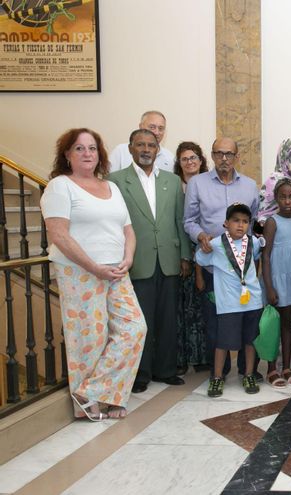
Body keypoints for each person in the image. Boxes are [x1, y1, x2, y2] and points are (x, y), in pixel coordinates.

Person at [42, 128, 147, 421]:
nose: (87, 154)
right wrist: (93, 267)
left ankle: (97, 391)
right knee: (90, 338)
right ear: (67, 155)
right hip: (80, 272)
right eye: (79, 148)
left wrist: (128, 257)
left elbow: (128, 229)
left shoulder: (110, 187)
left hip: (116, 270)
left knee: (134, 328)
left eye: (91, 148)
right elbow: (59, 235)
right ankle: (90, 403)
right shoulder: (60, 187)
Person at [107, 129, 189, 394]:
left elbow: (179, 220)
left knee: (168, 318)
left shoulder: (172, 181)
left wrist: (185, 256)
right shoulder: (116, 181)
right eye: (140, 144)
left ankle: (166, 370)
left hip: (168, 258)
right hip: (136, 259)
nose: (145, 149)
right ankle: (140, 373)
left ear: (158, 149)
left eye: (151, 145)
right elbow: (114, 223)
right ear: (130, 148)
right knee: (140, 320)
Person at [183, 137, 260, 378]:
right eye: (219, 153)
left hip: (242, 270)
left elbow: (254, 221)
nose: (224, 158)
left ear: (236, 156)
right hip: (213, 265)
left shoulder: (249, 185)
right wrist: (201, 236)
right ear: (212, 155)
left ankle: (247, 371)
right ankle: (220, 372)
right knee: (216, 322)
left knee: (247, 321)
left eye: (229, 154)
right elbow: (189, 220)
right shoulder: (198, 183)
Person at [196, 203, 264, 398]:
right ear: (226, 223)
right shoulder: (217, 245)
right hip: (228, 304)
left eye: (244, 221)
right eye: (235, 221)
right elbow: (200, 259)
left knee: (251, 340)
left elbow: (256, 260)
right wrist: (205, 249)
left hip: (252, 301)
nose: (240, 225)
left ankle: (248, 374)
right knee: (222, 342)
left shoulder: (254, 243)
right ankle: (217, 377)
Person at [261, 178, 291, 388]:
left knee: (288, 325)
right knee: (273, 326)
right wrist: (269, 287)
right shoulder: (272, 222)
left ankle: (286, 367)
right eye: (283, 196)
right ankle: (271, 368)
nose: (287, 201)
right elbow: (266, 255)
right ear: (276, 198)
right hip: (276, 280)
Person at [173, 142, 209, 373]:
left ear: (201, 160)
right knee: (181, 309)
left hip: (204, 252)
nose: (190, 162)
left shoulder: (208, 184)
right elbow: (177, 223)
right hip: (182, 253)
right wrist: (183, 256)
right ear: (179, 163)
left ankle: (202, 356)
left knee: (202, 307)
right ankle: (182, 357)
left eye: (194, 157)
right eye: (185, 158)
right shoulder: (174, 186)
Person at [108, 111, 174, 173]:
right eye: (152, 127)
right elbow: (109, 181)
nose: (156, 132)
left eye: (161, 128)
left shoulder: (170, 158)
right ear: (140, 127)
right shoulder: (121, 151)